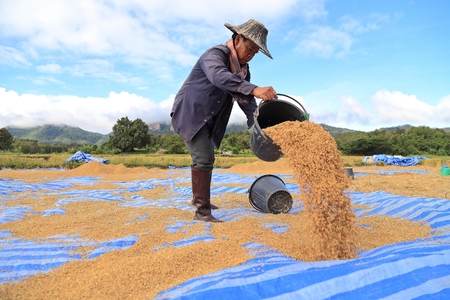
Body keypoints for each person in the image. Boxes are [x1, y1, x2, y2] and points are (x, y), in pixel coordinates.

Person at [170, 19, 277, 222]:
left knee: (207, 155)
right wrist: (255, 89)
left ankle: (199, 200)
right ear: (238, 39)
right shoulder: (215, 55)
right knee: (203, 158)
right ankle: (202, 212)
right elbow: (219, 76)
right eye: (250, 48)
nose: (251, 55)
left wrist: (257, 123)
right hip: (192, 113)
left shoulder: (243, 70)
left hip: (211, 118)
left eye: (255, 52)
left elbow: (245, 100)